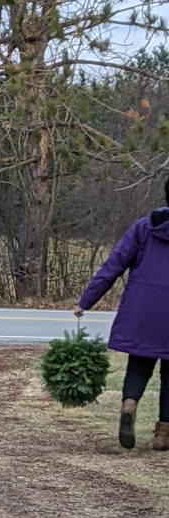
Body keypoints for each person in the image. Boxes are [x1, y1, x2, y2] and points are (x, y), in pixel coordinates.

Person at [75, 180, 169, 451]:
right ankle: (163, 434)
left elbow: (113, 264)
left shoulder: (145, 227)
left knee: (139, 363)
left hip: (142, 308)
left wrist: (87, 300)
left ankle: (129, 405)